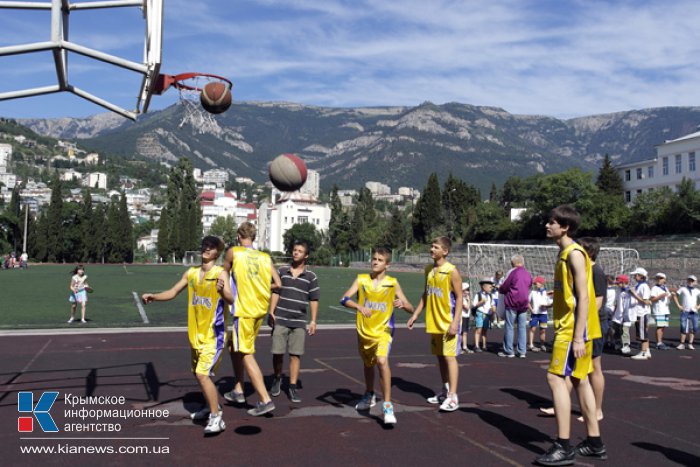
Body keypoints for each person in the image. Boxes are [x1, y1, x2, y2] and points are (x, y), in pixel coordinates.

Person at [141, 236, 233, 434]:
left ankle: (217, 418)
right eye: (204, 245)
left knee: (202, 374)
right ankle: (210, 407)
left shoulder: (220, 273)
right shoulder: (191, 273)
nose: (206, 249)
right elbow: (173, 291)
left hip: (213, 335)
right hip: (196, 334)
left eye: (211, 247)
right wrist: (155, 297)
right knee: (199, 374)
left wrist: (223, 291)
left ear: (217, 252)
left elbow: (231, 299)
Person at [536, 205, 605, 466]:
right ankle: (595, 442)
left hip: (573, 329)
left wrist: (577, 337)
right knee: (580, 381)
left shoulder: (574, 254)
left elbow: (584, 297)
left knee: (555, 378)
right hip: (578, 327)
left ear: (565, 227)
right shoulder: (567, 253)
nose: (547, 225)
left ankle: (563, 445)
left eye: (552, 222)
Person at [340, 246, 414, 425]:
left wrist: (402, 304)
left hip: (384, 330)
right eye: (374, 259)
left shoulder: (392, 283)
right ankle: (369, 393)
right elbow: (344, 299)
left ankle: (387, 405)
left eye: (380, 260)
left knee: (381, 361)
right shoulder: (361, 280)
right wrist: (358, 306)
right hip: (364, 331)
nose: (375, 262)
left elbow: (410, 307)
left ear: (387, 264)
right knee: (368, 364)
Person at [222, 222, 282, 416]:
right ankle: (239, 389)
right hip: (259, 309)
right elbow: (278, 283)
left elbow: (223, 272)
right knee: (234, 345)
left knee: (246, 352)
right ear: (253, 237)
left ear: (239, 236)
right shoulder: (265, 257)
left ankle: (265, 399)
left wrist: (223, 290)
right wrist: (261, 287)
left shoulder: (234, 252)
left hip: (244, 309)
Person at [408, 236, 463, 412]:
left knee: (449, 357)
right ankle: (445, 390)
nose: (431, 249)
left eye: (435, 247)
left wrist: (455, 322)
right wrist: (416, 314)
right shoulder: (429, 270)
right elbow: (426, 294)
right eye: (431, 246)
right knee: (440, 357)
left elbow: (460, 297)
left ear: (445, 251)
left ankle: (453, 396)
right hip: (434, 323)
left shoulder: (451, 271)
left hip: (448, 323)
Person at [268, 240, 320, 403]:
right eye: (294, 250)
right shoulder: (282, 271)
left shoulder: (311, 277)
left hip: (299, 321)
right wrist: (271, 311)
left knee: (295, 355)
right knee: (277, 352)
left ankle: (292, 386)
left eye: (299, 251)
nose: (296, 252)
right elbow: (276, 292)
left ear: (306, 256)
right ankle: (277, 378)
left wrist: (313, 320)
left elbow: (314, 299)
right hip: (281, 318)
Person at [498, 255, 533, 358]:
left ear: (513, 262)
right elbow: (530, 284)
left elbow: (505, 286)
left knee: (509, 326)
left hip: (512, 302)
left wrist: (500, 289)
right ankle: (522, 351)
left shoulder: (513, 272)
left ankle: (509, 351)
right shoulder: (527, 273)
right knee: (522, 327)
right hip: (524, 303)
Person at [629, 267, 652, 360]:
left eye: (636, 275)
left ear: (641, 276)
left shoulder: (644, 286)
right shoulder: (640, 285)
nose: (635, 276)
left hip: (642, 313)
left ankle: (643, 352)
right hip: (639, 312)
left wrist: (634, 294)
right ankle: (647, 351)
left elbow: (646, 301)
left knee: (643, 334)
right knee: (643, 333)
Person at [672, 275, 700, 350]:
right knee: (683, 327)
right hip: (685, 311)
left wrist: (698, 306)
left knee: (694, 328)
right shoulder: (683, 289)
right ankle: (682, 344)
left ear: (695, 282)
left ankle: (690, 344)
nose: (690, 282)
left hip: (694, 312)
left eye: (692, 281)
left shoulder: (697, 291)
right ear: (687, 281)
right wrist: (678, 305)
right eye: (689, 280)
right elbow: (675, 296)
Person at [528, 276, 552, 352]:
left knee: (543, 330)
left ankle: (542, 344)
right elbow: (527, 302)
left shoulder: (547, 293)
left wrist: (545, 306)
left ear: (541, 283)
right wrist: (531, 310)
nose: (535, 284)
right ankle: (531, 344)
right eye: (535, 283)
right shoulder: (533, 292)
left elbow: (551, 304)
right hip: (535, 314)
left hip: (543, 314)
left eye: (537, 283)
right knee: (532, 329)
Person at [611, 275, 633, 354]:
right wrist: (614, 312)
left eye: (619, 283)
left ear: (623, 282)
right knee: (616, 329)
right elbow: (617, 302)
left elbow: (632, 303)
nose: (617, 285)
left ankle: (626, 345)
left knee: (625, 330)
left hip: (626, 315)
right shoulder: (618, 290)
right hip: (617, 314)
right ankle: (618, 343)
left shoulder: (629, 291)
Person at [650, 273, 672, 350]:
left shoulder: (665, 288)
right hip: (659, 310)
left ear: (664, 280)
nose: (659, 279)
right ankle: (658, 343)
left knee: (662, 327)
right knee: (660, 327)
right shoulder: (654, 288)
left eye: (661, 278)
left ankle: (660, 342)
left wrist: (671, 296)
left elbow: (669, 297)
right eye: (658, 278)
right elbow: (652, 299)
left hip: (665, 310)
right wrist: (661, 296)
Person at [473, 278, 495, 352]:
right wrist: (481, 302)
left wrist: (492, 312)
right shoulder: (478, 294)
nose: (491, 289)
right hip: (480, 313)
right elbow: (474, 305)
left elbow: (492, 305)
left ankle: (484, 345)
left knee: (485, 330)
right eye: (490, 287)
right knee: (478, 329)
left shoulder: (490, 296)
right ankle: (476, 345)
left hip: (487, 315)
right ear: (484, 287)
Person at [461, 282, 473, 353]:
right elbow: (467, 307)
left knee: (465, 332)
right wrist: (468, 300)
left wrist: (468, 299)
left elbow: (471, 306)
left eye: (468, 290)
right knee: (460, 333)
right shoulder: (461, 299)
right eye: (466, 290)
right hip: (461, 317)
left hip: (466, 316)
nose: (467, 292)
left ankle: (465, 347)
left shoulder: (466, 298)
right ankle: (459, 347)